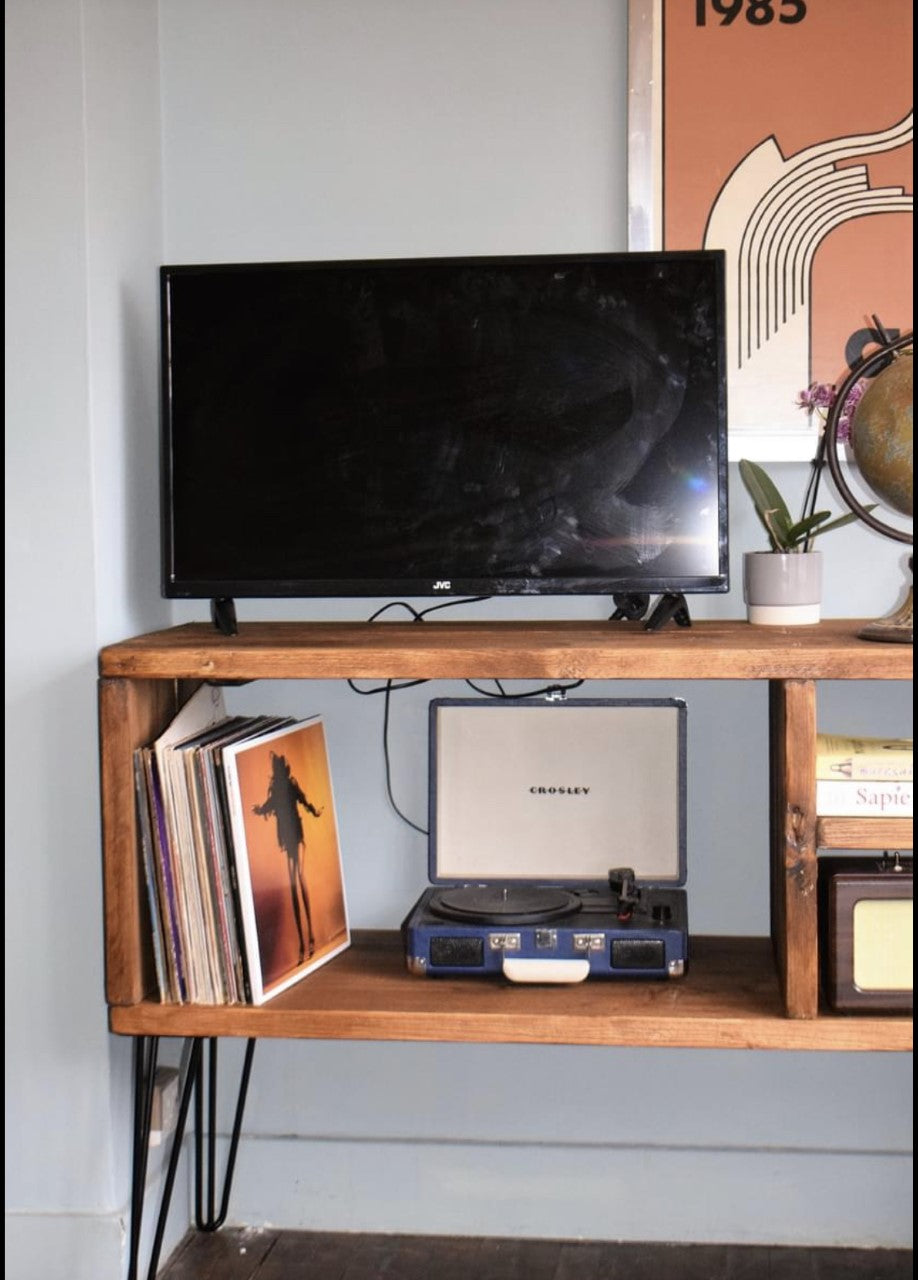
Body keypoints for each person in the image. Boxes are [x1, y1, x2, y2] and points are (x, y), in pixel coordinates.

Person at [252, 751, 322, 963]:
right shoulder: (276, 790)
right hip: (287, 839)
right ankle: (304, 942)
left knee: (299, 878)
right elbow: (267, 807)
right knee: (293, 885)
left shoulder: (290, 785)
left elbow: (304, 801)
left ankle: (310, 938)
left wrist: (314, 810)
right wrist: (258, 809)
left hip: (297, 837)